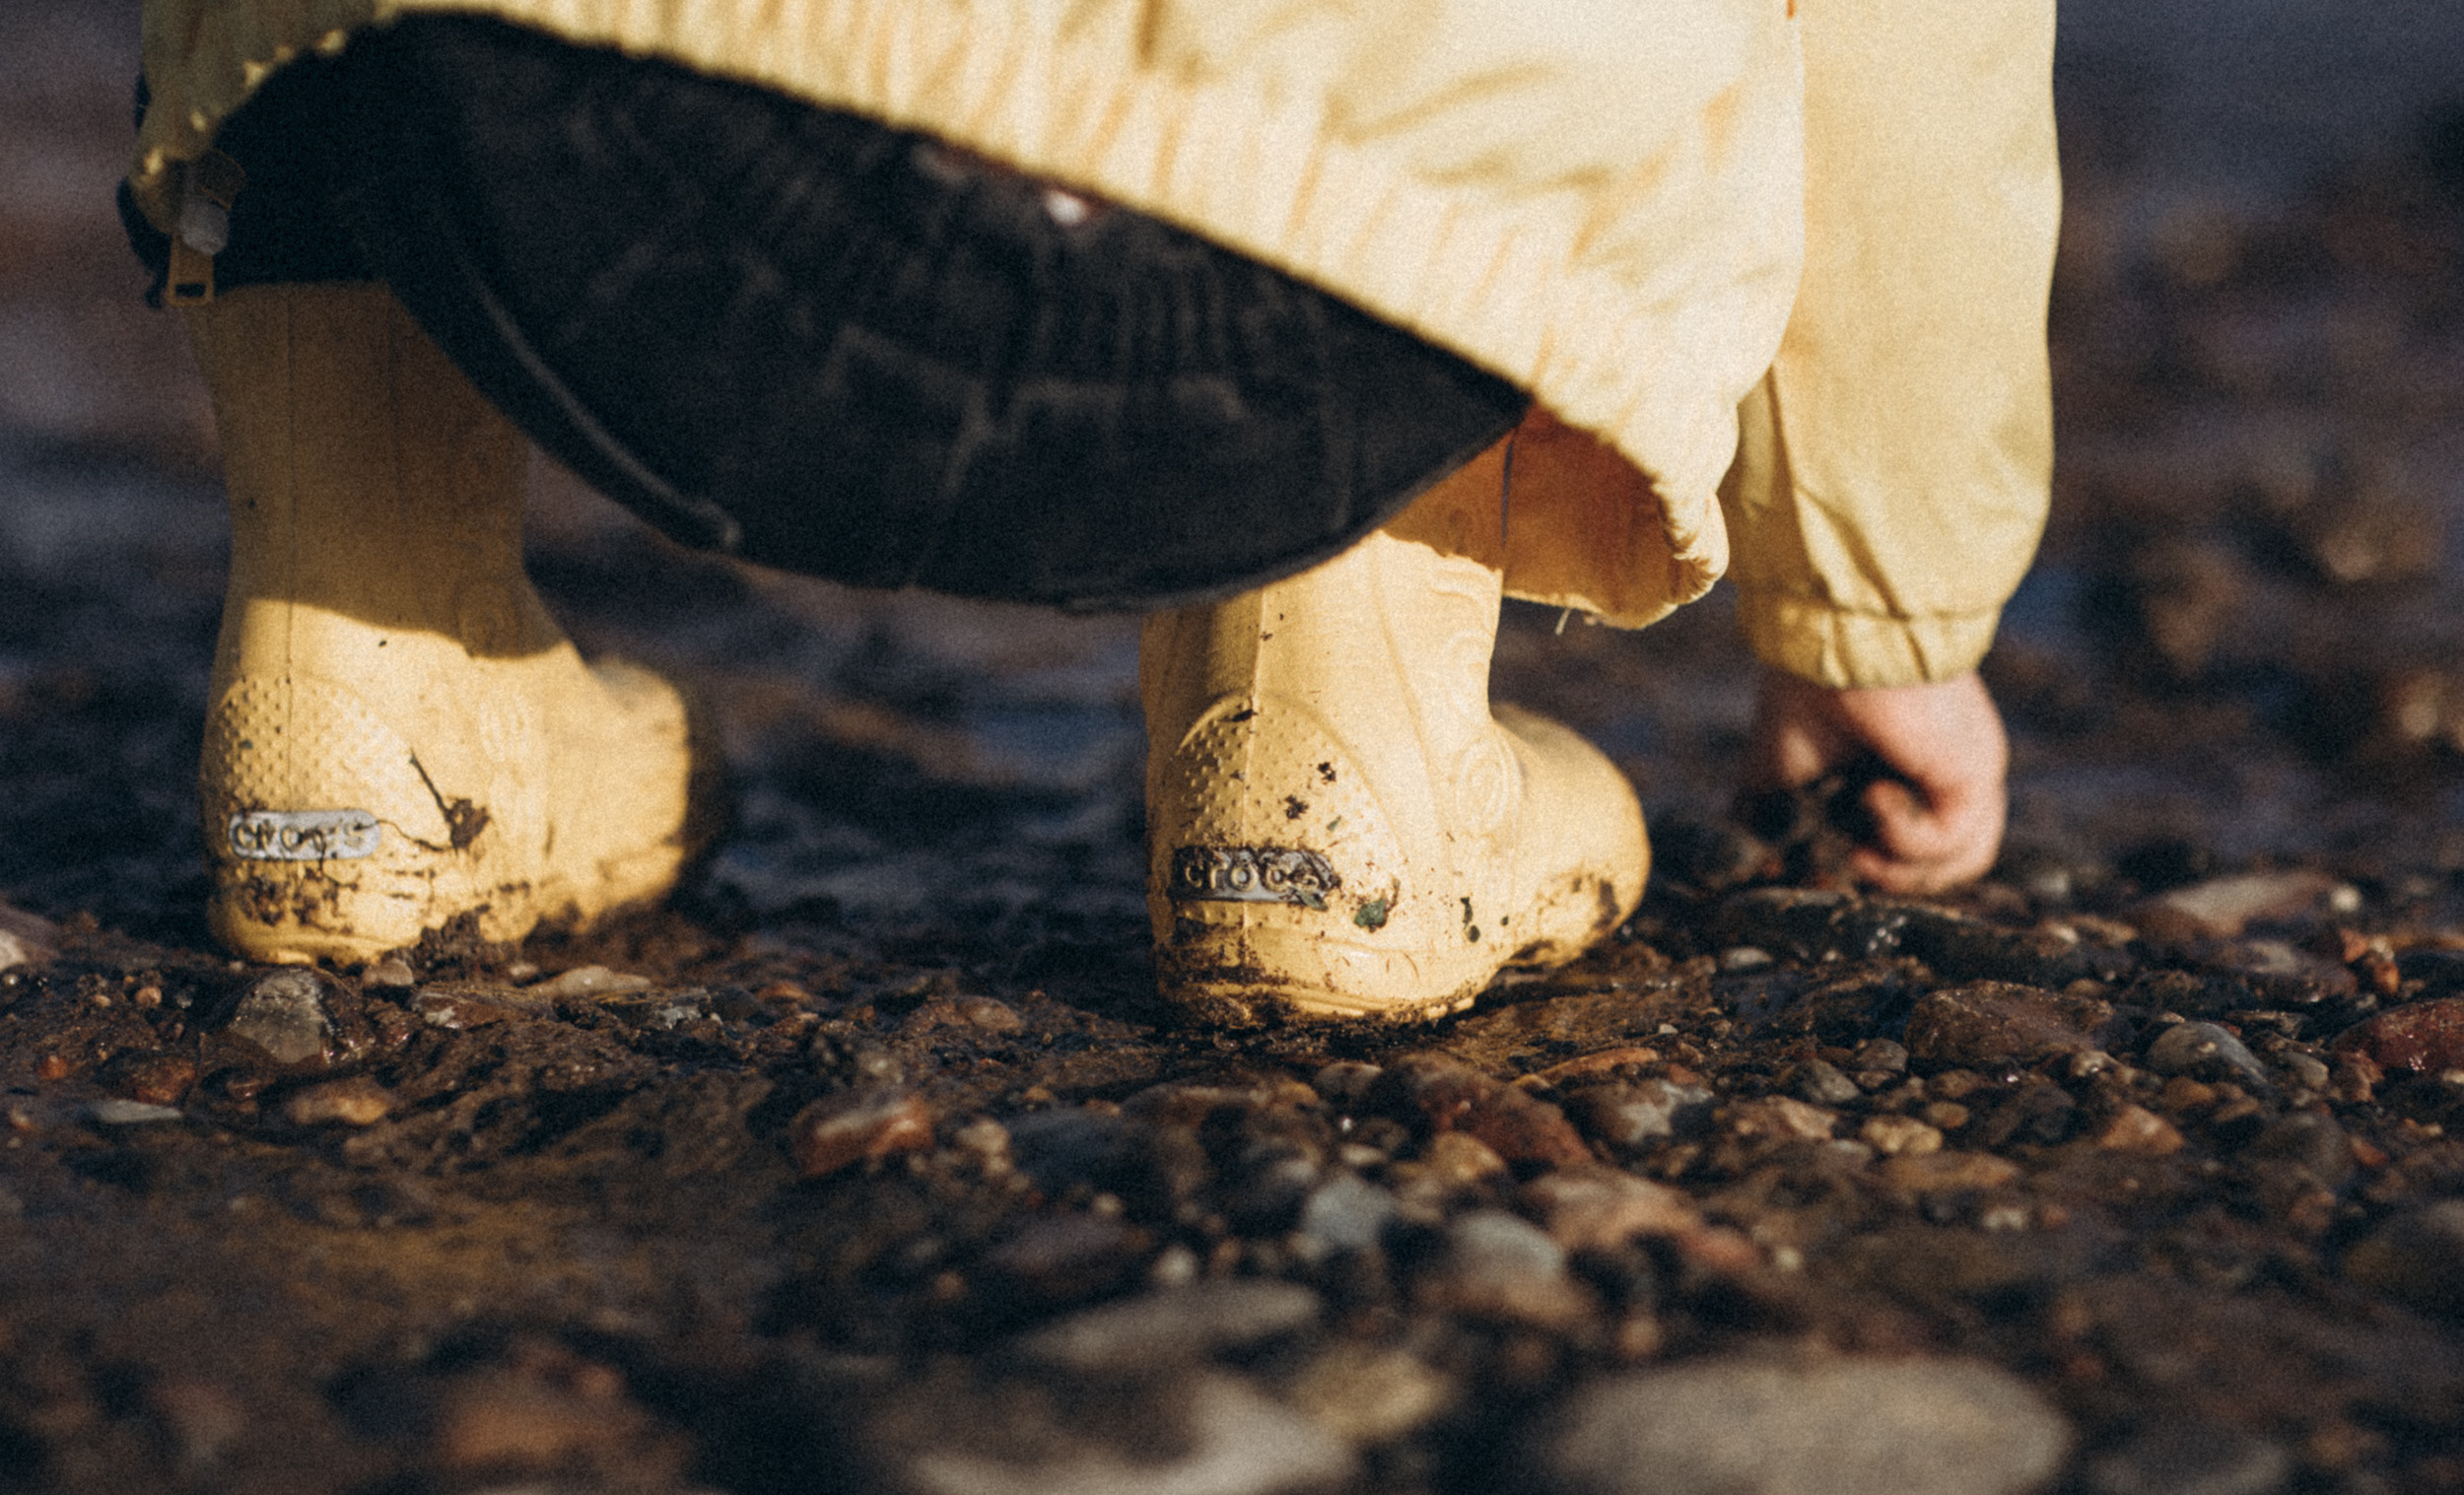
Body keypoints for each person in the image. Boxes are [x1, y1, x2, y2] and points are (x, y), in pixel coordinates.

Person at [122, 0, 2057, 1024]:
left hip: (547, 182)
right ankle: (1327, 787)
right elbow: (1906, 50)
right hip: (1276, 331)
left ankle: (359, 696)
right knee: (1445, 74)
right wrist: (1878, 626)